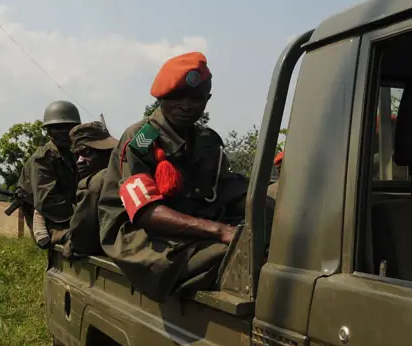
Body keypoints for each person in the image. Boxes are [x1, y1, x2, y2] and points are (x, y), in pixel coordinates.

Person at [97, 51, 248, 303]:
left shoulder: (207, 141)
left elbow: (230, 192)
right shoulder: (141, 140)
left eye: (196, 98)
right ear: (161, 97)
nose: (187, 105)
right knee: (233, 258)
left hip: (190, 229)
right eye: (177, 97)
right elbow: (145, 211)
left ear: (207, 100)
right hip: (140, 236)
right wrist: (217, 230)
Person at [17, 100, 80, 248]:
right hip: (50, 219)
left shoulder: (74, 156)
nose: (65, 132)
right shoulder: (42, 159)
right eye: (58, 128)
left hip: (69, 215)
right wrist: (82, 213)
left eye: (69, 127)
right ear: (49, 131)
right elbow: (48, 201)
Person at [63, 121, 118, 258]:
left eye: (87, 153)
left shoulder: (94, 183)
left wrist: (70, 244)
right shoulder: (130, 170)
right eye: (77, 155)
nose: (79, 161)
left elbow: (81, 243)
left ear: (106, 152)